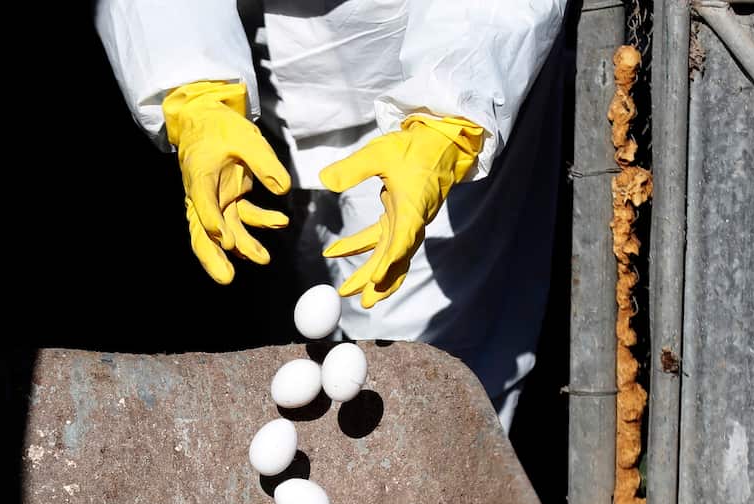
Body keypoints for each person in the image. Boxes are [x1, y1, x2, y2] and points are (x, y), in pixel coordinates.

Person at [95, 0, 568, 431]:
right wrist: (193, 86)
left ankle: (442, 468)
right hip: (260, 86)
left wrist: (450, 116)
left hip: (433, 76)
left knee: (420, 358)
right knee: (316, 290)